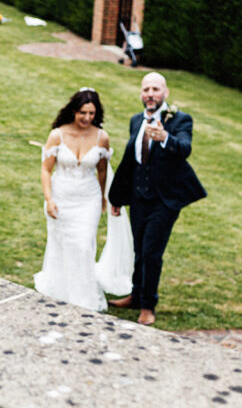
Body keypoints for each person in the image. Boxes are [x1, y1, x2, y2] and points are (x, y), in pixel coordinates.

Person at [108, 72, 206, 326]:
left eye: (155, 89)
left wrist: (165, 138)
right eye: (145, 90)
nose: (150, 94)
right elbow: (130, 161)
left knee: (152, 252)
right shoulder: (135, 120)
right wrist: (117, 197)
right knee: (139, 248)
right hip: (140, 196)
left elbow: (185, 149)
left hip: (165, 199)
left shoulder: (180, 120)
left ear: (165, 93)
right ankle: (136, 295)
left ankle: (148, 305)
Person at [34, 87, 111, 311]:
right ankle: (61, 291)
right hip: (62, 196)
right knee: (63, 245)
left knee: (84, 245)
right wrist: (49, 199)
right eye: (83, 113)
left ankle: (84, 297)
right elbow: (46, 170)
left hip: (89, 199)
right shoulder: (57, 135)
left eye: (91, 114)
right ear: (74, 111)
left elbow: (102, 171)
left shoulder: (101, 137)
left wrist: (103, 198)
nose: (87, 118)